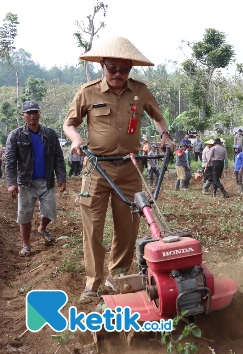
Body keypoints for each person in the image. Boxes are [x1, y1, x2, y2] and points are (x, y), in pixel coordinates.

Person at [62, 37, 174, 299]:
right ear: (103, 66)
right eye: (112, 69)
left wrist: (165, 135)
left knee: (128, 227)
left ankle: (120, 276)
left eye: (124, 70)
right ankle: (92, 282)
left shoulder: (140, 91)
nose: (118, 74)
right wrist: (76, 139)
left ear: (130, 70)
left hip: (128, 167)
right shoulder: (88, 92)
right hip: (96, 169)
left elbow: (158, 117)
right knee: (93, 229)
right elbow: (69, 124)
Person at [6, 100, 67, 257]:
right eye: (29, 113)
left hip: (46, 180)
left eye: (35, 112)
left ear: (39, 114)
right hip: (26, 182)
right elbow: (10, 161)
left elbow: (58, 157)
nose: (33, 115)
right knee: (24, 213)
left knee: (50, 210)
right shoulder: (15, 135)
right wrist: (11, 183)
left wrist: (61, 176)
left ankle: (42, 227)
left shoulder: (50, 134)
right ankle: (26, 246)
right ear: (23, 115)